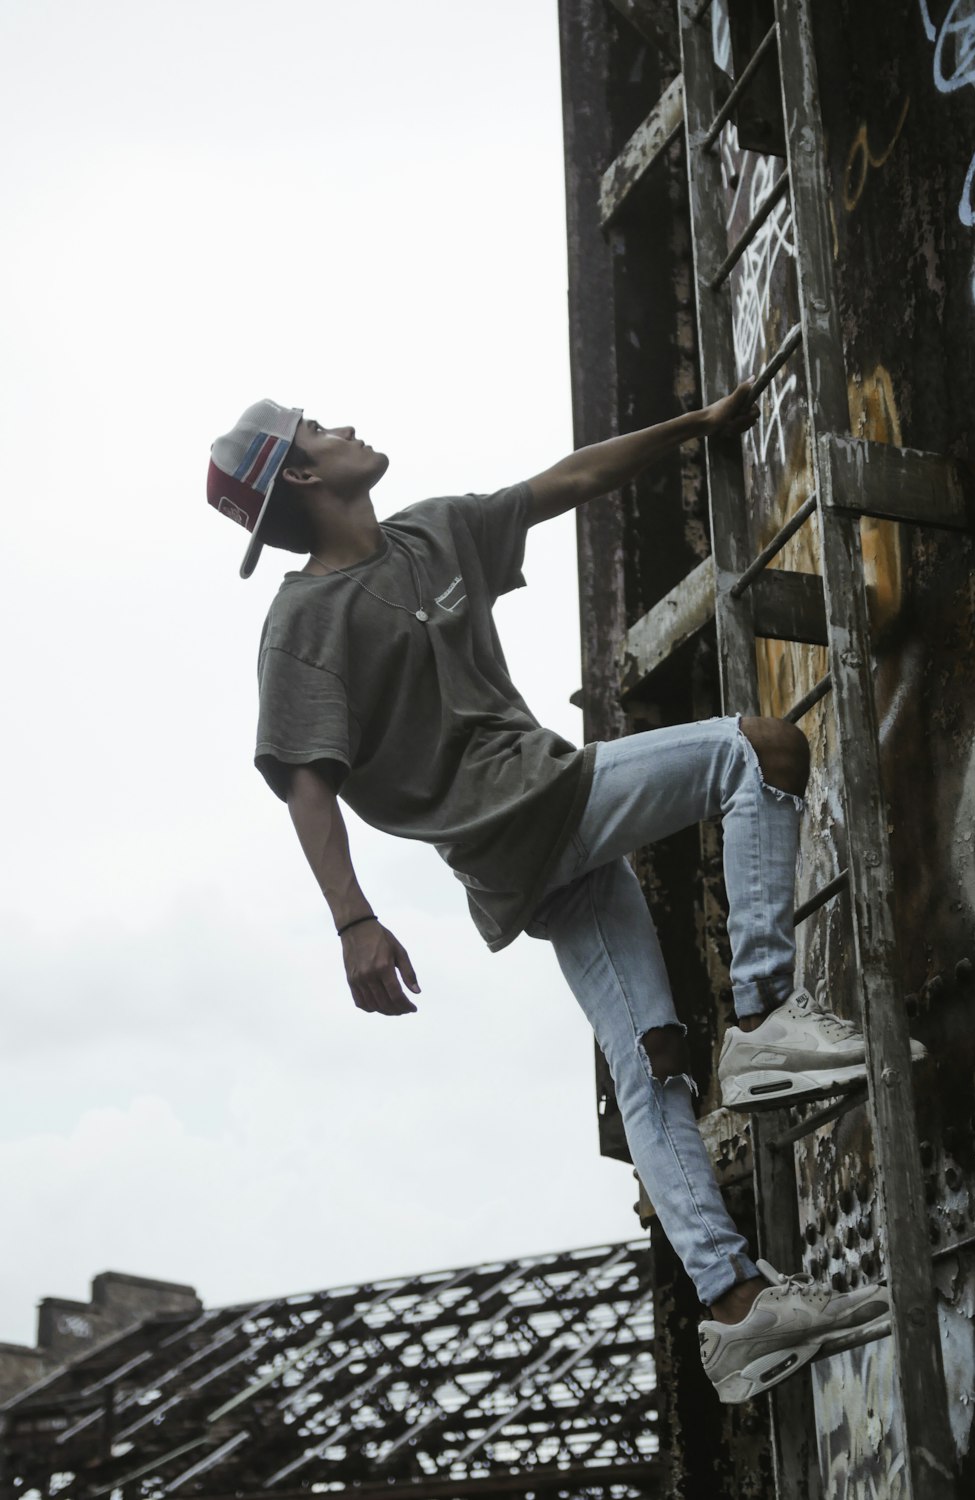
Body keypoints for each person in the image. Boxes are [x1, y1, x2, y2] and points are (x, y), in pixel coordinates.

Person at [206, 386, 919, 1403]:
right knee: (759, 751)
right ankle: (764, 1014)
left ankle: (734, 1308)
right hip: (527, 811)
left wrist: (691, 427)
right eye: (320, 429)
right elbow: (303, 777)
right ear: (305, 476)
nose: (345, 424)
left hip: (535, 848)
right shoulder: (304, 620)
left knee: (653, 1064)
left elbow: (567, 481)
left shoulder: (432, 533)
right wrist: (354, 922)